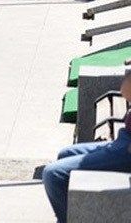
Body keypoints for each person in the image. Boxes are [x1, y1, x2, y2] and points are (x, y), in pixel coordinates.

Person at [40, 68, 131, 221]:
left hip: (127, 150)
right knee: (65, 154)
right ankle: (72, 215)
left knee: (53, 174)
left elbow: (126, 91)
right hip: (124, 139)